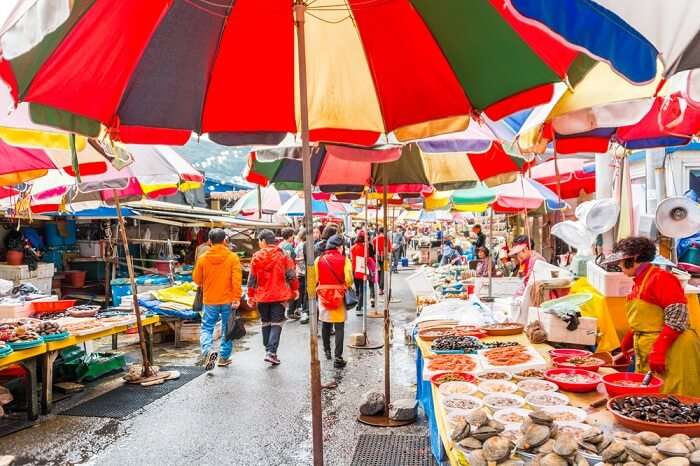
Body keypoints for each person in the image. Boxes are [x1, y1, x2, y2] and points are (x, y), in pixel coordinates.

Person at [601, 237, 700, 396]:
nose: (619, 265)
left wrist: (659, 350)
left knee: (677, 401)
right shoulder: (639, 281)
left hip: (675, 350)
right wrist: (627, 343)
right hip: (654, 348)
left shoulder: (661, 278)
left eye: (621, 261)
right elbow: (646, 319)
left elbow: (677, 317)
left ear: (633, 259)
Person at [247, 229, 299, 366]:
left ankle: (268, 350)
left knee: (266, 322)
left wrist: (250, 295)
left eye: (259, 241)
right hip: (279, 295)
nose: (259, 243)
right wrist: (295, 289)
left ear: (263, 241)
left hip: (262, 296)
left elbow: (252, 279)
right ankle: (271, 352)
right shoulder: (283, 255)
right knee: (276, 323)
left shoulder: (256, 256)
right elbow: (291, 275)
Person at [192, 229, 242, 369]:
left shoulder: (203, 258)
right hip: (228, 300)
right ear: (224, 240)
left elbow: (196, 279)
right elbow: (236, 280)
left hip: (210, 300)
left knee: (207, 328)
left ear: (209, 241)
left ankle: (207, 352)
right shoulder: (232, 257)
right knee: (227, 328)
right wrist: (236, 298)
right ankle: (223, 357)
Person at [315, 235, 353, 368]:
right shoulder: (345, 260)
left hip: (323, 296)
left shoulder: (318, 260)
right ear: (339, 247)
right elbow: (348, 279)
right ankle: (338, 357)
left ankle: (327, 351)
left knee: (325, 324)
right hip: (339, 296)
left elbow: (315, 278)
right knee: (339, 326)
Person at [350, 231, 377, 313]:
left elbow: (351, 258)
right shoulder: (366, 248)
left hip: (354, 270)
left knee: (357, 288)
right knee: (362, 289)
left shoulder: (353, 248)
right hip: (362, 269)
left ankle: (358, 301)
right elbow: (367, 258)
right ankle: (360, 305)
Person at [294, 228, 310, 324]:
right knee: (305, 293)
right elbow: (298, 258)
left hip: (300, 271)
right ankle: (304, 311)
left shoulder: (299, 245)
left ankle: (301, 310)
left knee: (303, 293)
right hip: (304, 272)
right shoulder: (304, 245)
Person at [372, 227, 391, 294]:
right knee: (383, 271)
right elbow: (389, 249)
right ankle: (381, 288)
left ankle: (380, 287)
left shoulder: (375, 239)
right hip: (385, 257)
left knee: (378, 271)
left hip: (376, 257)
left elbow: (373, 250)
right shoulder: (387, 239)